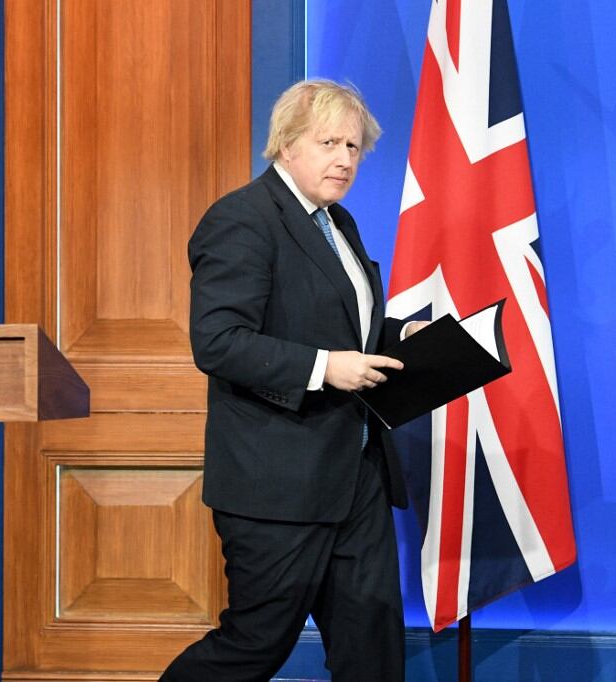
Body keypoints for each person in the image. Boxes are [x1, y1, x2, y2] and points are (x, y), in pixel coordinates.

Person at [161, 80, 426, 682]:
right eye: (329, 143)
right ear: (286, 143)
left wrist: (399, 335)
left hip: (357, 476)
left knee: (373, 651)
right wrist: (325, 367)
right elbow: (219, 341)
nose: (345, 159)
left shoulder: (339, 222)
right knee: (255, 645)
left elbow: (335, 323)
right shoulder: (242, 219)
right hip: (277, 483)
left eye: (354, 147)